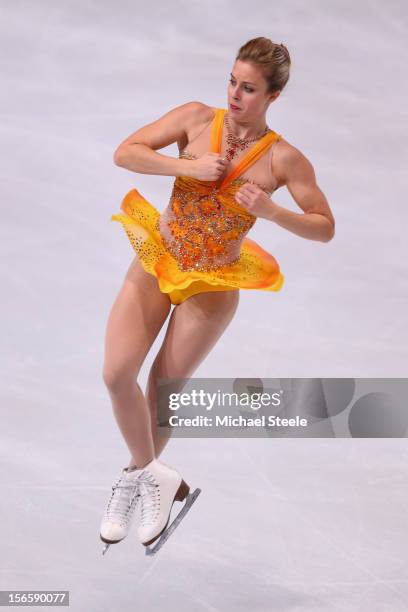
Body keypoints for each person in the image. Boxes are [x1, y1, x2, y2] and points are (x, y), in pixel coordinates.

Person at [99, 36, 335, 552]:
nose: (233, 94)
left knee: (162, 390)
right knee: (117, 374)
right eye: (232, 81)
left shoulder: (283, 159)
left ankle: (137, 477)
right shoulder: (195, 119)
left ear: (273, 96)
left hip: (214, 283)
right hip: (160, 258)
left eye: (248, 89)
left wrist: (273, 212)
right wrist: (184, 166)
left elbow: (324, 227)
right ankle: (152, 475)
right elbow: (127, 153)